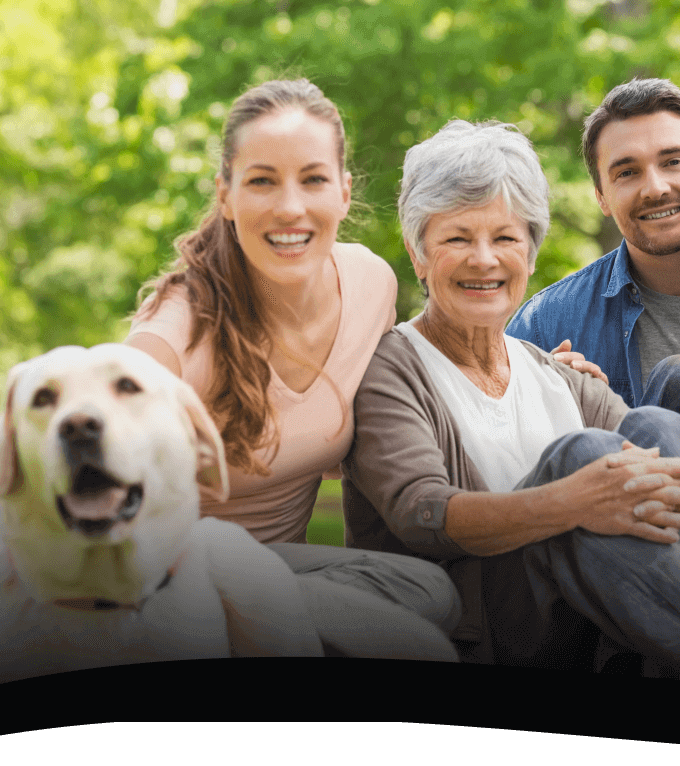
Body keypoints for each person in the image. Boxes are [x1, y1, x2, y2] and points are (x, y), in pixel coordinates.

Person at [341, 118, 680, 689]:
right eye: (457, 239)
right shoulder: (392, 365)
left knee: (660, 420)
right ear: (418, 253)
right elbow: (421, 515)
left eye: (506, 238)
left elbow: (659, 464)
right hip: (486, 628)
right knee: (583, 453)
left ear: (530, 255)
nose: (484, 259)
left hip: (599, 622)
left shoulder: (553, 372)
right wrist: (570, 501)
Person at [126, 79, 461, 662]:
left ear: (344, 193)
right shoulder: (175, 332)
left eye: (312, 179)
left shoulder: (370, 283)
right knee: (422, 648)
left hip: (280, 569)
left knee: (430, 592)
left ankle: (260, 631)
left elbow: (404, 390)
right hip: (170, 578)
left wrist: (528, 369)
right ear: (225, 195)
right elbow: (96, 458)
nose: (289, 207)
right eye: (261, 181)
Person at [505, 78, 680, 447]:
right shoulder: (547, 325)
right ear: (601, 196)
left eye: (673, 162)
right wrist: (548, 409)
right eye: (627, 173)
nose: (655, 188)